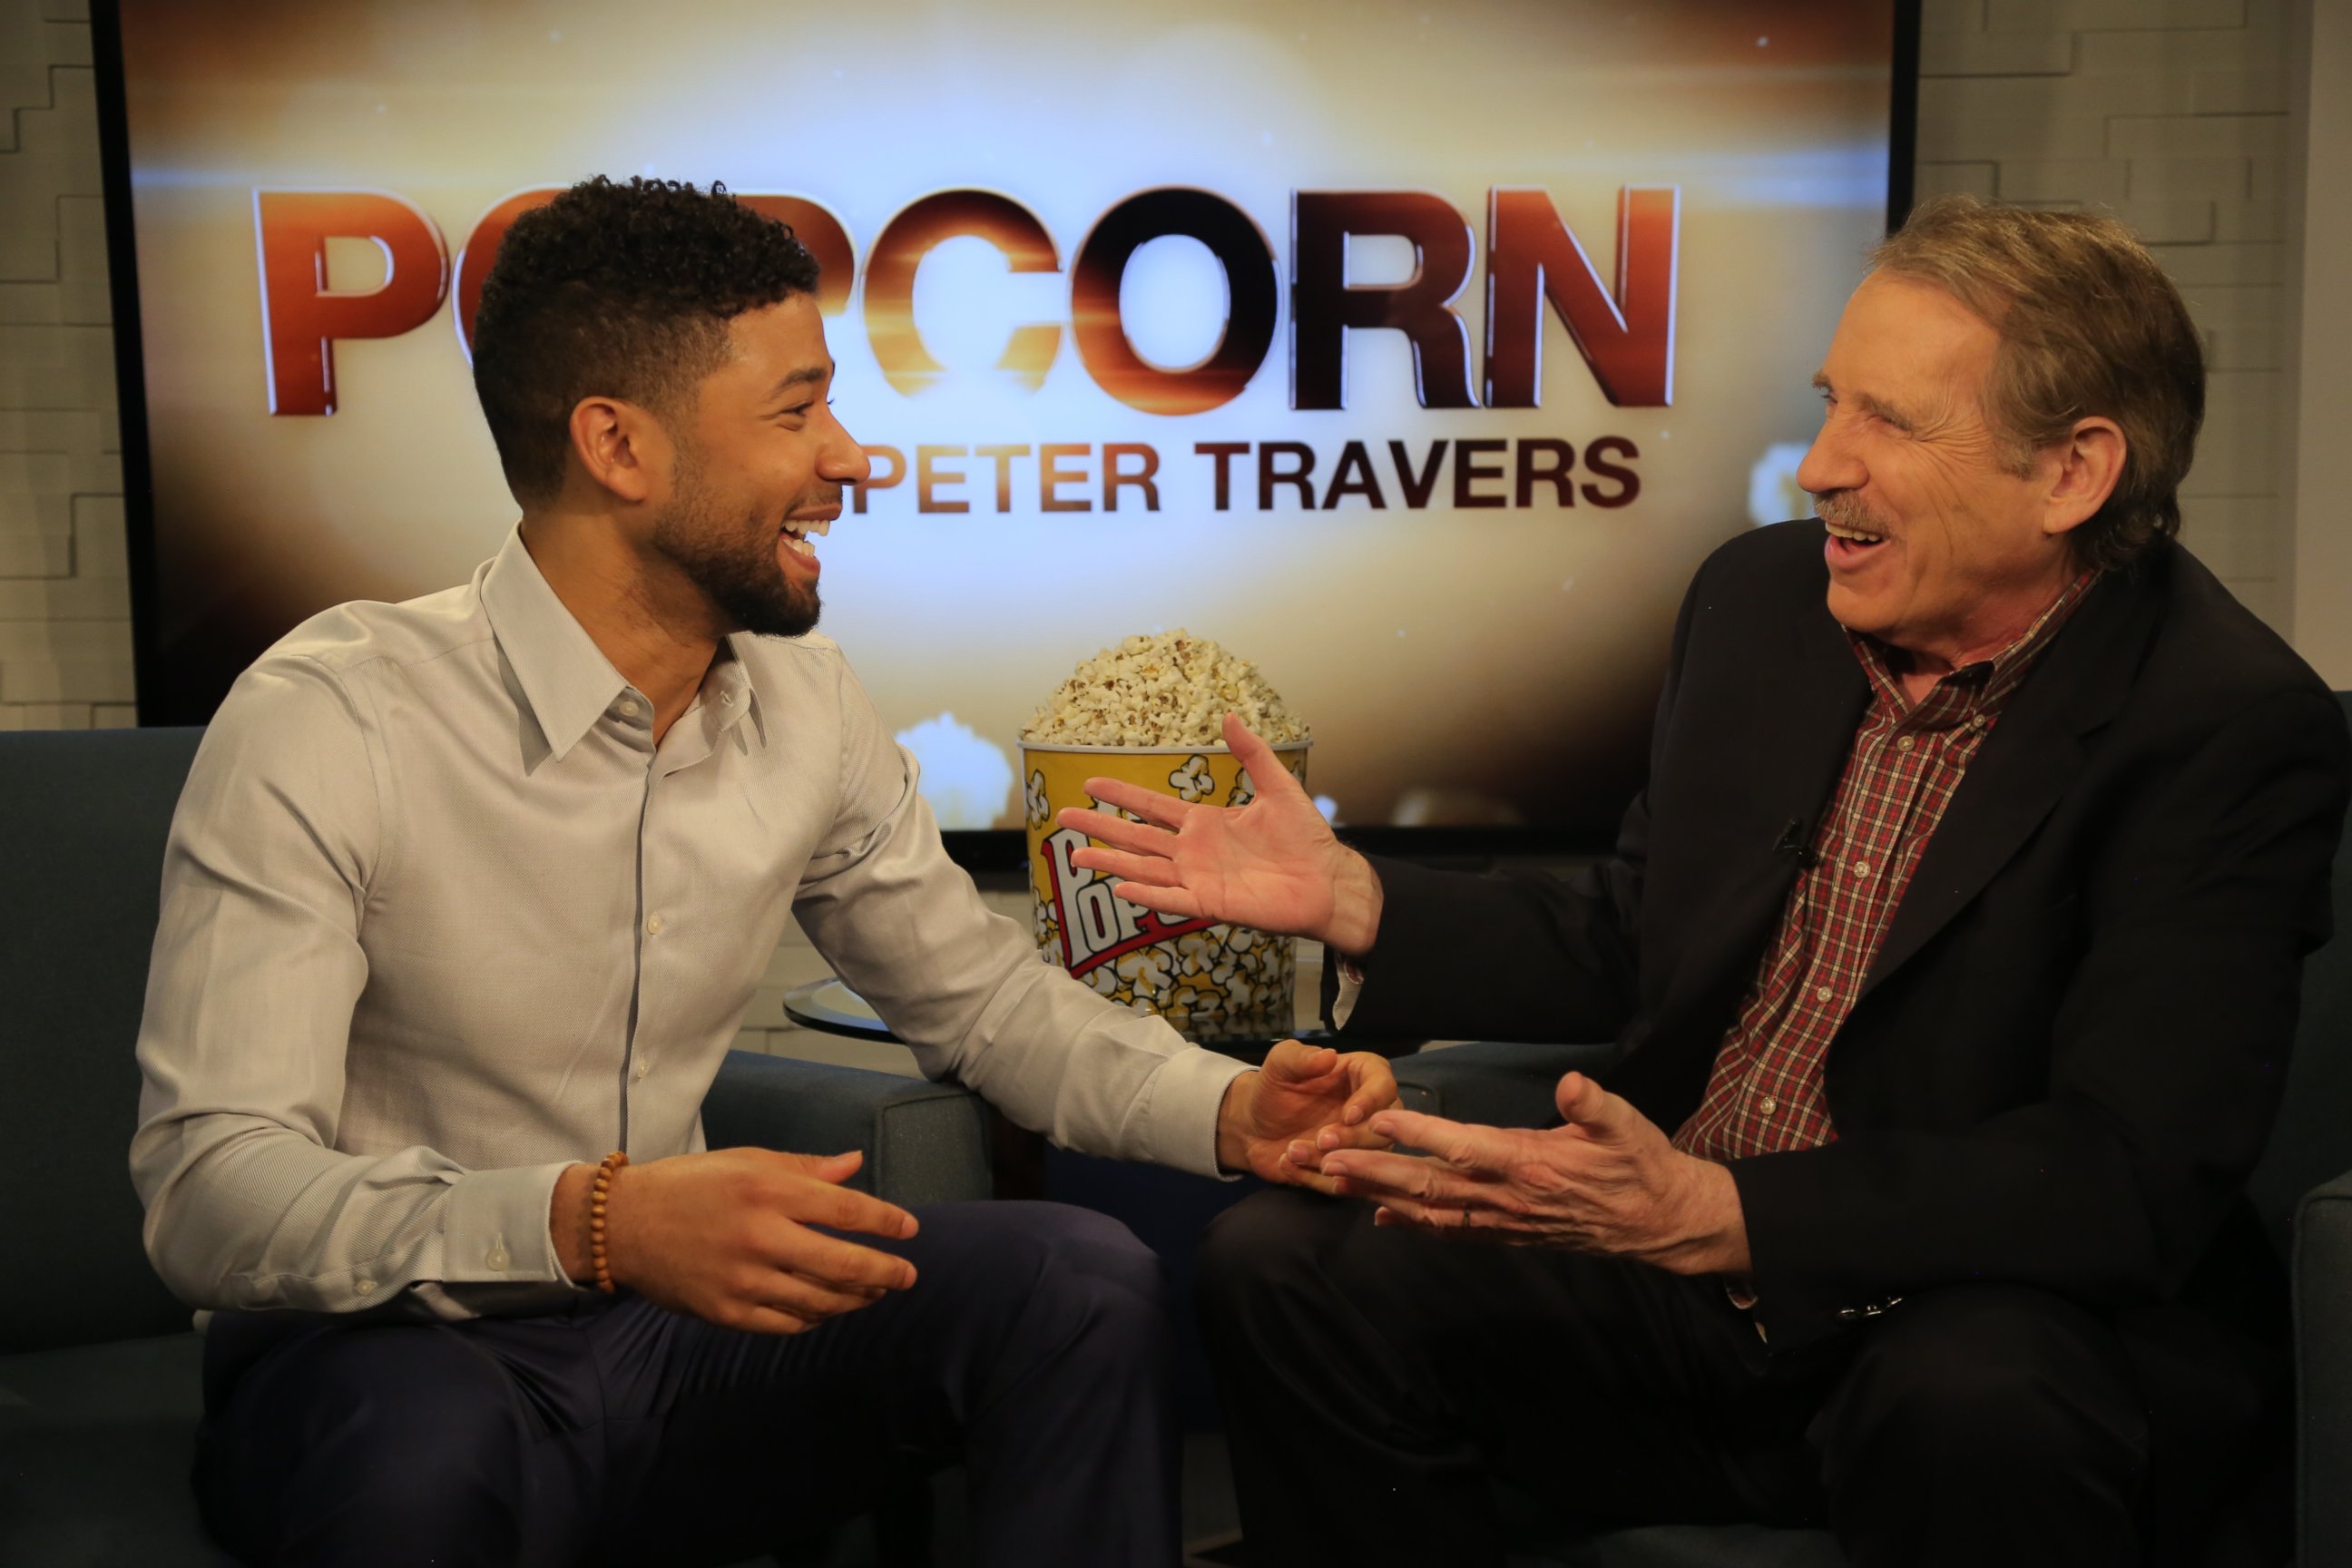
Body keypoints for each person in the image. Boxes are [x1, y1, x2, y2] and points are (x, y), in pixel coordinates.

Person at [1061, 195, 2352, 1567]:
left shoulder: (2220, 725)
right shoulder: (1763, 604)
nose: (1819, 466)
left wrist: (1729, 1216)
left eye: (1891, 424)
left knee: (1977, 1397)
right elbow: (1644, 929)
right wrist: (1360, 900)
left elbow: (2123, 1176)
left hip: (1957, 1304)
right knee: (1290, 1266)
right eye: (1827, 404)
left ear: (2074, 471)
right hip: (1673, 1266)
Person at [130, 175, 1396, 1568]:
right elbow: (214, 1190)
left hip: (682, 1352)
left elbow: (985, 1007)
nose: (850, 457)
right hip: (385, 1360)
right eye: (796, 414)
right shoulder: (334, 716)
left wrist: (1236, 1114)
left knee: (1075, 1281)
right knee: (417, 1471)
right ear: (618, 446)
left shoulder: (808, 701)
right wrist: (598, 1222)